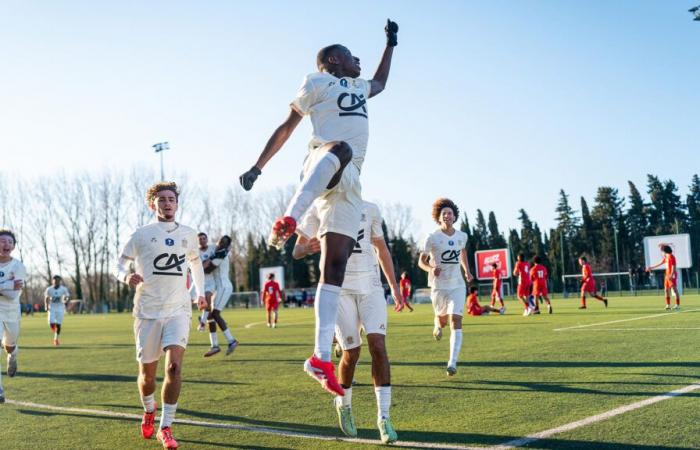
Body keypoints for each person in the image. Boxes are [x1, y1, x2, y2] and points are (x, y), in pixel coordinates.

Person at [238, 20, 399, 397]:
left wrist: (391, 45)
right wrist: (258, 167)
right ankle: (290, 216)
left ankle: (319, 356)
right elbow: (287, 126)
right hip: (322, 162)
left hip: (350, 185)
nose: (357, 58)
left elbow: (381, 83)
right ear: (332, 60)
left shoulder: (359, 86)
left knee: (335, 270)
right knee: (340, 147)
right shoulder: (316, 82)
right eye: (350, 54)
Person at [294, 199, 402, 444]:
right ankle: (344, 404)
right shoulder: (320, 208)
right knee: (351, 353)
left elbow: (381, 248)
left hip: (372, 288)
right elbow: (296, 250)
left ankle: (384, 418)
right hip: (339, 289)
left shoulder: (371, 208)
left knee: (378, 346)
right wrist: (308, 248)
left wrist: (394, 287)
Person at [114, 182, 206, 450]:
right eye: (162, 199)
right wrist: (125, 276)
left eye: (171, 199)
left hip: (178, 310)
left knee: (174, 367)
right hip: (147, 311)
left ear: (177, 204)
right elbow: (119, 263)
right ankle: (149, 409)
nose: (167, 203)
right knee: (147, 376)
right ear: (152, 204)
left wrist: (200, 292)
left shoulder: (189, 235)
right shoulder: (141, 235)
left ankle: (166, 426)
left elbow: (195, 264)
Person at [418, 198, 474, 377]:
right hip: (438, 287)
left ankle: (452, 362)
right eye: (444, 214)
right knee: (442, 320)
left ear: (454, 216)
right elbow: (421, 261)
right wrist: (431, 268)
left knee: (455, 320)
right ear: (439, 218)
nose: (448, 216)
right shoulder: (432, 237)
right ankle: (436, 324)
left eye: (450, 213)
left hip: (457, 285)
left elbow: (462, 253)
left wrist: (467, 271)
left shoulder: (461, 236)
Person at [202, 236, 239, 357]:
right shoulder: (218, 253)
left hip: (224, 287)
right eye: (220, 240)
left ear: (226, 245)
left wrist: (201, 264)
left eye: (223, 242)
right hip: (219, 288)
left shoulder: (221, 254)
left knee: (215, 314)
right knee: (210, 316)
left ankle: (231, 341)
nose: (220, 243)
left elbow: (208, 270)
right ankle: (215, 345)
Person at [0, 229, 25, 403]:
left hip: (11, 312)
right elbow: (9, 289)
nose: (6, 244)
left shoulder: (18, 267)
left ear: (14, 246)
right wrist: (7, 284)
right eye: (2, 241)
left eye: (9, 241)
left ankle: (12, 356)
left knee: (10, 346)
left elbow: (13, 295)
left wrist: (6, 288)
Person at [646, 245, 681, 310]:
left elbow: (673, 266)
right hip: (667, 275)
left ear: (665, 251)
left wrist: (671, 274)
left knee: (674, 289)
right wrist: (651, 267)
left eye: (662, 251)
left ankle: (677, 305)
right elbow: (660, 263)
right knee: (666, 290)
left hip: (671, 275)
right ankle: (668, 305)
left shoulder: (671, 256)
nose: (662, 252)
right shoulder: (666, 256)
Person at [196, 232, 217, 332]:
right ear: (197, 241)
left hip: (211, 280)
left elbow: (223, 247)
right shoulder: (195, 252)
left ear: (207, 239)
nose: (202, 240)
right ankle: (205, 319)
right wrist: (207, 262)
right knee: (203, 304)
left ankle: (202, 322)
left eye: (204, 238)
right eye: (200, 239)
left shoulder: (212, 248)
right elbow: (200, 267)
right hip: (200, 281)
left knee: (208, 297)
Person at [44, 275, 70, 346]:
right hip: (51, 308)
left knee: (58, 324)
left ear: (60, 281)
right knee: (51, 323)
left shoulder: (63, 289)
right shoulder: (49, 289)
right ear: (53, 281)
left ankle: (56, 339)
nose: (56, 282)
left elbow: (67, 296)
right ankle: (55, 331)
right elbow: (46, 298)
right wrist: (46, 306)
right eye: (55, 280)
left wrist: (66, 301)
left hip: (60, 308)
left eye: (58, 280)